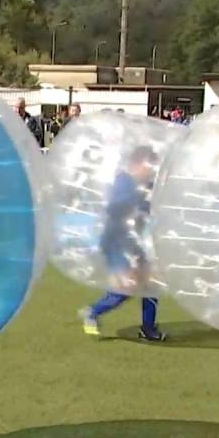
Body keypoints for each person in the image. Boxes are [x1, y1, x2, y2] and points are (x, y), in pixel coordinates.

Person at [79, 145, 165, 342]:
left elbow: (149, 208)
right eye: (148, 166)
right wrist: (138, 195)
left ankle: (149, 329)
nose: (151, 170)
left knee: (150, 284)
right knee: (127, 287)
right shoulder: (123, 181)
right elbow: (114, 208)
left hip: (133, 241)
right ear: (136, 163)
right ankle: (92, 311)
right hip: (117, 241)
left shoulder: (147, 184)